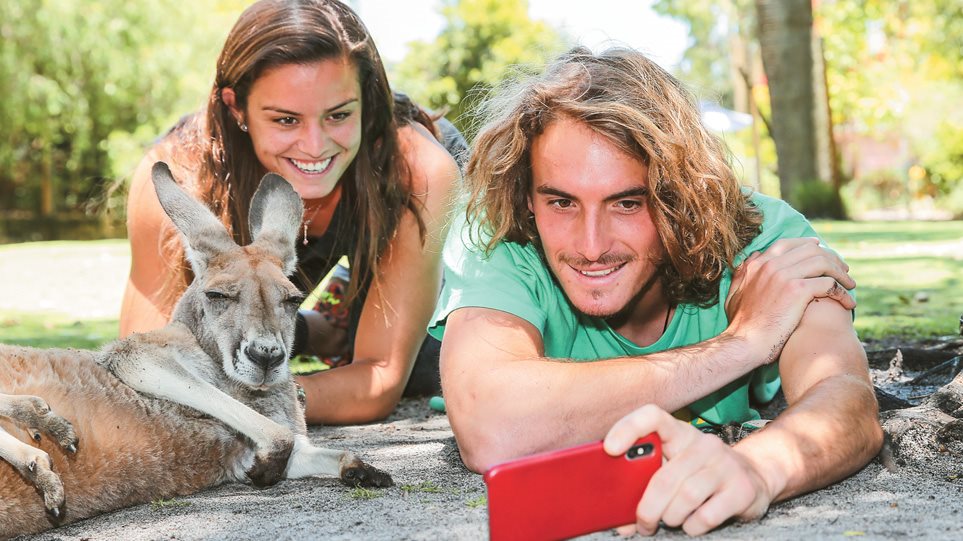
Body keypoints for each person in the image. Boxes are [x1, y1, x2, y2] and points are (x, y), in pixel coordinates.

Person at [428, 47, 883, 535]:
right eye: (561, 202)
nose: (591, 246)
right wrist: (742, 344)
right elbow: (492, 428)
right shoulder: (496, 233)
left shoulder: (765, 240)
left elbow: (846, 399)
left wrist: (756, 469)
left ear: (678, 196)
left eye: (626, 203)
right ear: (527, 197)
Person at [120, 0, 461, 424]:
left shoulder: (419, 172)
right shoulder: (179, 177)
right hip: (284, 263)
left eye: (338, 114)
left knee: (434, 360)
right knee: (219, 336)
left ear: (366, 102)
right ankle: (327, 324)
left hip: (400, 220)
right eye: (285, 120)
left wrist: (226, 404)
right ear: (236, 107)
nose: (315, 146)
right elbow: (142, 363)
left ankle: (344, 314)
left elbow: (378, 378)